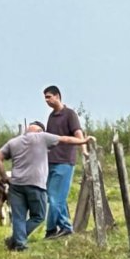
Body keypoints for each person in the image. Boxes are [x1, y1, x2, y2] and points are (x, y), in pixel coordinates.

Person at [0, 121, 94, 251]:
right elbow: (65, 139)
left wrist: (4, 177)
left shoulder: (14, 142)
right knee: (39, 216)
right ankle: (16, 240)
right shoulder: (42, 137)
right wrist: (83, 141)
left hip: (16, 184)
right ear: (40, 131)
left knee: (18, 217)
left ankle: (19, 244)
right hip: (35, 184)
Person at [42, 85, 86, 239]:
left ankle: (63, 227)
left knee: (56, 197)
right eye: (45, 98)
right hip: (51, 161)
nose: (47, 100)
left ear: (57, 96)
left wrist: (84, 150)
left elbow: (78, 134)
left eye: (49, 97)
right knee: (52, 197)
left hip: (65, 161)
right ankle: (56, 228)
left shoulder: (69, 114)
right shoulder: (51, 117)